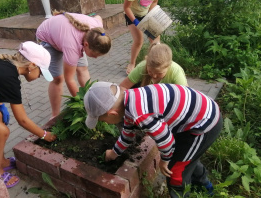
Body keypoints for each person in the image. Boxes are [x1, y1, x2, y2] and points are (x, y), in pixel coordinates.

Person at [83, 82, 222, 197]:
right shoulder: (130, 101)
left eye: (103, 120)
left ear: (112, 113)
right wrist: (113, 153)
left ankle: (196, 192)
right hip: (192, 120)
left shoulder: (141, 114)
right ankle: (206, 189)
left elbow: (167, 141)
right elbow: (127, 135)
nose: (105, 123)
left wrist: (164, 161)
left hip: (204, 124)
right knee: (185, 158)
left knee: (175, 171)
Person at [0, 41, 57, 189]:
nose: (39, 76)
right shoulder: (9, 78)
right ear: (32, 65)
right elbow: (22, 120)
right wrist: (44, 134)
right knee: (2, 132)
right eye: (41, 71)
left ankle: (1, 160)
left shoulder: (8, 65)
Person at [36, 10, 111, 118]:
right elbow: (69, 79)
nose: (95, 58)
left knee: (83, 69)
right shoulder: (72, 46)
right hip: (48, 38)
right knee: (58, 79)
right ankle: (55, 116)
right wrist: (83, 106)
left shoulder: (98, 31)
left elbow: (98, 16)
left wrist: (94, 102)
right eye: (95, 54)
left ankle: (92, 99)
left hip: (67, 34)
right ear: (86, 44)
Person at [124, 0, 170, 75]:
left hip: (147, 13)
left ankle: (156, 64)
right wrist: (135, 21)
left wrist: (152, 17)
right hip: (132, 15)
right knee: (139, 40)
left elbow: (154, 2)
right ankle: (132, 63)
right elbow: (126, 8)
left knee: (155, 41)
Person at [120, 42, 188, 91]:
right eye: (150, 71)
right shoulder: (142, 66)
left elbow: (186, 95)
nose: (154, 76)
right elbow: (122, 87)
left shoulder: (176, 71)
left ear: (169, 66)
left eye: (159, 73)